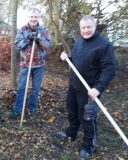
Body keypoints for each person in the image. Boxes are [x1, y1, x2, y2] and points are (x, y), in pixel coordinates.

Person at [56, 15, 116, 158]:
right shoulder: (77, 45)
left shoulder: (104, 45)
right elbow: (78, 64)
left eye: (89, 27)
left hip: (90, 90)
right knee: (72, 111)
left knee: (87, 118)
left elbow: (109, 69)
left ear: (95, 27)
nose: (86, 30)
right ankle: (72, 132)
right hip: (74, 86)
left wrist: (99, 88)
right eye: (83, 27)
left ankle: (88, 145)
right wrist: (67, 59)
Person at [7, 8, 51, 119]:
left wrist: (39, 39)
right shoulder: (22, 30)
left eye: (35, 17)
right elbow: (17, 46)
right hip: (25, 65)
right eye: (31, 16)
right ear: (28, 17)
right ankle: (17, 110)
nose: (33, 19)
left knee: (36, 88)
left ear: (38, 17)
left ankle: (32, 109)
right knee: (21, 88)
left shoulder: (43, 30)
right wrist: (28, 39)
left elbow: (48, 45)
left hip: (39, 65)